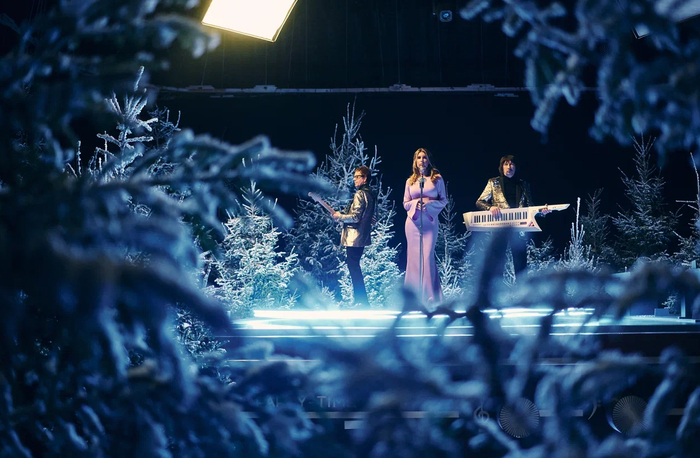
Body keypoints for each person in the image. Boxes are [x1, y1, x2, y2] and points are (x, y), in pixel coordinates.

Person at [475, 155, 537, 277]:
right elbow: (479, 202)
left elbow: (530, 206)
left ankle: (521, 288)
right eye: (506, 164)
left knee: (521, 265)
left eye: (512, 164)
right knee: (497, 264)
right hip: (500, 227)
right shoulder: (494, 182)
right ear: (502, 167)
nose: (509, 167)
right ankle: (496, 288)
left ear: (516, 167)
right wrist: (490, 207)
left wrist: (541, 211)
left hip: (519, 227)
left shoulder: (523, 184)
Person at [403, 148, 447, 303]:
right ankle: (413, 298)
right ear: (415, 161)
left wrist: (428, 205)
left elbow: (444, 200)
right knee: (414, 259)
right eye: (419, 158)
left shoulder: (437, 179)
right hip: (413, 223)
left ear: (429, 160)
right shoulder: (410, 181)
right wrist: (415, 204)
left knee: (427, 257)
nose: (422, 160)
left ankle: (430, 297)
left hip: (430, 221)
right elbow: (405, 203)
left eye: (424, 157)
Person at [333, 166, 376, 307]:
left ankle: (361, 301)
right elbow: (371, 217)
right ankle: (361, 300)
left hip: (354, 237)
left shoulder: (360, 194)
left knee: (353, 267)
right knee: (354, 266)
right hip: (362, 237)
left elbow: (356, 217)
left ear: (365, 178)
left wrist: (341, 216)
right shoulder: (370, 194)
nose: (355, 179)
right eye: (354, 176)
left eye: (358, 176)